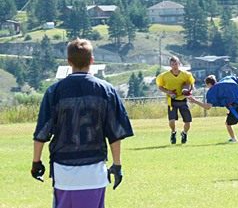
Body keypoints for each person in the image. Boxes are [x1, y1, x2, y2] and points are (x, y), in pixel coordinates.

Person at [31, 38, 134, 207]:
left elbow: (42, 132)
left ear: (69, 61)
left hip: (64, 170)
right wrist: (117, 164)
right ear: (91, 61)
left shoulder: (54, 91)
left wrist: (36, 162)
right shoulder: (106, 90)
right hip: (94, 170)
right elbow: (115, 134)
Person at [186, 73, 238, 142]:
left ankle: (233, 139)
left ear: (209, 84)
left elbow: (208, 107)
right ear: (216, 81)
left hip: (234, 108)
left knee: (228, 124)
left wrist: (195, 101)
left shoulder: (212, 91)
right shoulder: (227, 79)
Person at [156, 56, 196, 144]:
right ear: (170, 65)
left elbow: (191, 84)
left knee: (188, 122)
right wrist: (168, 92)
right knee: (172, 120)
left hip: (183, 99)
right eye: (173, 64)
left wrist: (189, 92)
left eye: (176, 64)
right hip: (172, 100)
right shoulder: (164, 76)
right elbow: (160, 87)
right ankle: (173, 132)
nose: (175, 66)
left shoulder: (186, 75)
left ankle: (184, 133)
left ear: (179, 64)